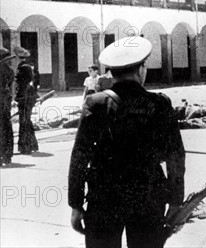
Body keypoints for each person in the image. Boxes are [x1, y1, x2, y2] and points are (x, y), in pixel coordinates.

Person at [68, 36, 185, 248]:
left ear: (112, 73)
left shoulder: (96, 103)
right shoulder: (160, 104)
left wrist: (76, 204)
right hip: (148, 197)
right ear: (141, 70)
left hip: (104, 197)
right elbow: (176, 156)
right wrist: (176, 201)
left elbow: (79, 156)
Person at [14, 46, 39, 155]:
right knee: (26, 121)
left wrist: (18, 97)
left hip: (25, 98)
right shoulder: (27, 66)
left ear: (17, 57)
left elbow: (22, 85)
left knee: (24, 121)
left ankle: (26, 147)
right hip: (29, 97)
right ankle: (32, 145)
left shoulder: (23, 68)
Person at [0, 47, 15, 166]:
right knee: (6, 126)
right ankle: (7, 155)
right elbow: (10, 84)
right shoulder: (10, 70)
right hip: (6, 98)